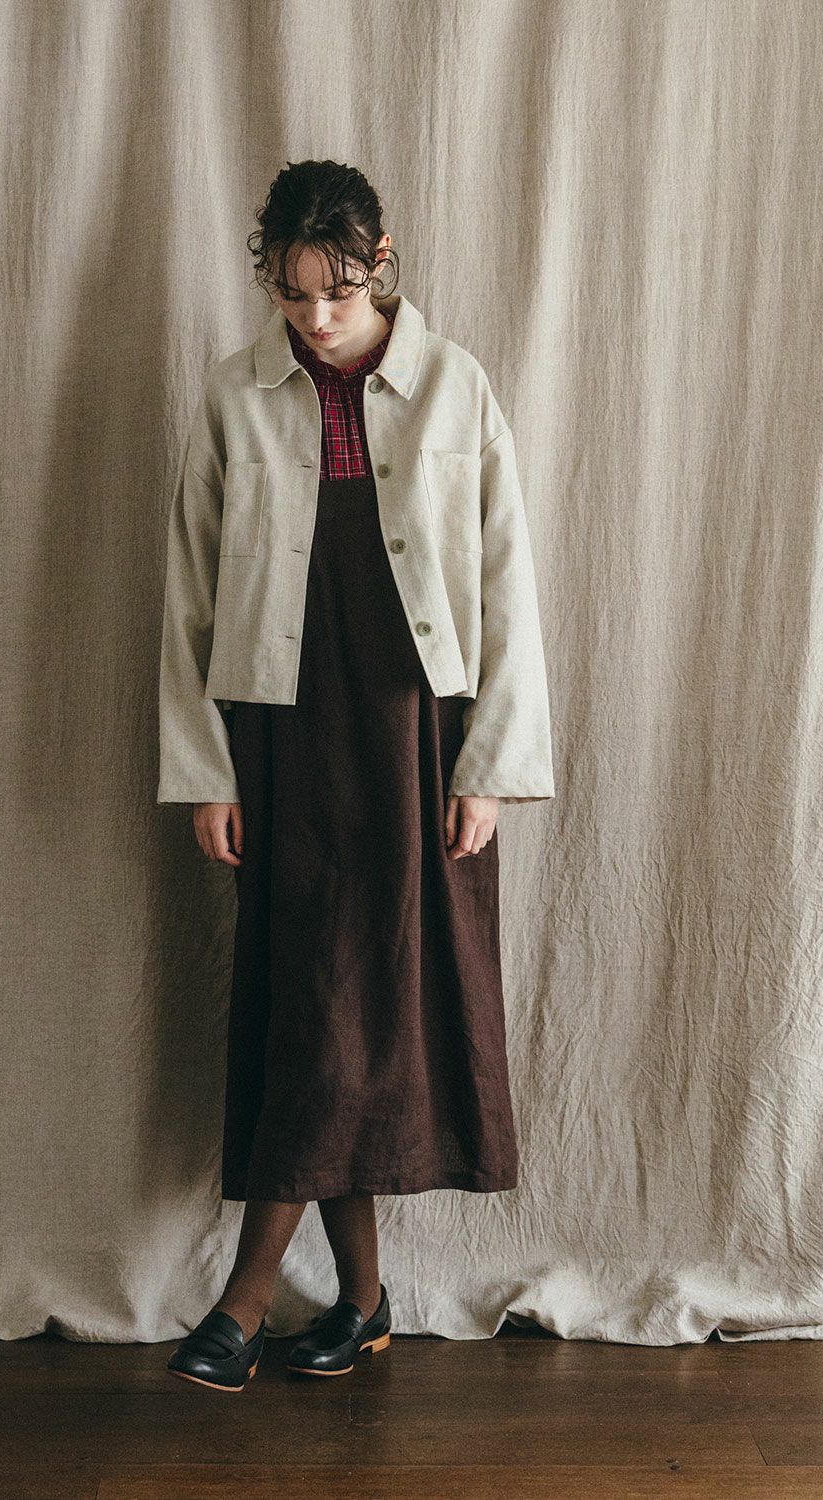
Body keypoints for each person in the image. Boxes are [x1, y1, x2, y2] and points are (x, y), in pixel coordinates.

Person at [158, 159, 555, 1391]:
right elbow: (187, 598)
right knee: (312, 1009)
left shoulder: (454, 385)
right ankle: (352, 1301)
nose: (315, 319)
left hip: (412, 739)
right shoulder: (234, 395)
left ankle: (255, 1302)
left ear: (379, 262)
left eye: (334, 292)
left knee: (367, 1015)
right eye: (291, 296)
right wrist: (205, 770)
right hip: (280, 737)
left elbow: (505, 583)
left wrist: (488, 767)